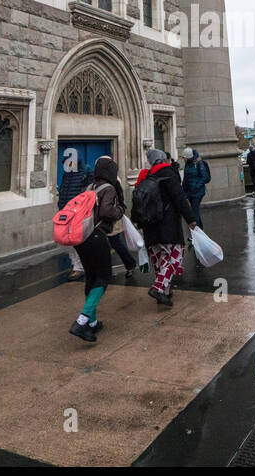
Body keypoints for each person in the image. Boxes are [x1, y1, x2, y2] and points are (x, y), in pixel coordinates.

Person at [68, 156, 126, 343]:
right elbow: (107, 212)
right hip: (96, 237)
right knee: (103, 277)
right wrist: (120, 210)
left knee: (91, 278)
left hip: (81, 238)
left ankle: (92, 323)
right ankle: (82, 320)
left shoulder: (89, 187)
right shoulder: (108, 189)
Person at [132, 148, 197, 307]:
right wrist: (190, 219)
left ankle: (165, 293)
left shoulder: (145, 176)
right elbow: (180, 198)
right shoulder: (168, 173)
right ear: (163, 159)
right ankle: (158, 288)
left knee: (160, 261)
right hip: (168, 225)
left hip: (149, 227)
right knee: (175, 258)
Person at [56, 155, 94, 281]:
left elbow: (88, 192)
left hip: (77, 213)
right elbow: (63, 189)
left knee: (77, 240)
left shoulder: (86, 172)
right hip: (65, 212)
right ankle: (78, 264)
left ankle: (79, 267)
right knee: (66, 241)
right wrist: (61, 205)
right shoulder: (68, 174)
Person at [181, 146, 211, 229]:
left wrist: (196, 186)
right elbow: (186, 179)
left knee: (194, 211)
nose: (183, 159)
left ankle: (197, 231)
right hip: (190, 192)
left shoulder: (198, 163)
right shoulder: (187, 164)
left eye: (184, 158)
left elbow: (204, 177)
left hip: (197, 192)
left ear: (188, 157)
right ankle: (199, 229)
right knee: (194, 211)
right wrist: (184, 192)